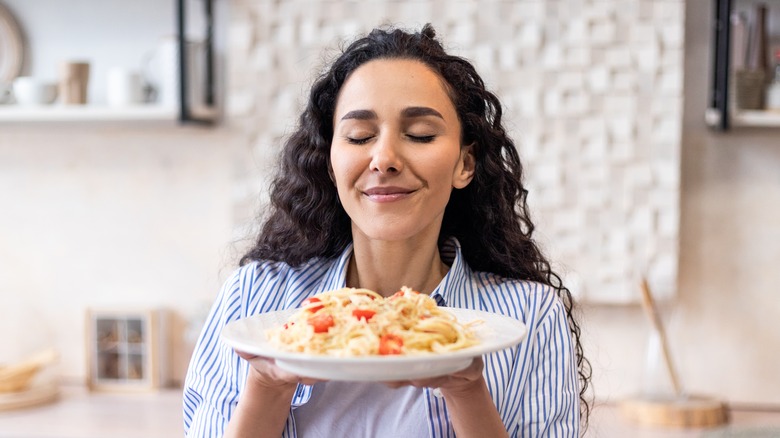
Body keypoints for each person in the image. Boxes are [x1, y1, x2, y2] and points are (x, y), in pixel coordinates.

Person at [183, 23, 591, 437]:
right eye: (359, 136)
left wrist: (466, 390)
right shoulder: (254, 297)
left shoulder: (530, 315)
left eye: (420, 134)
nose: (384, 158)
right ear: (330, 164)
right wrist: (267, 384)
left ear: (464, 164)